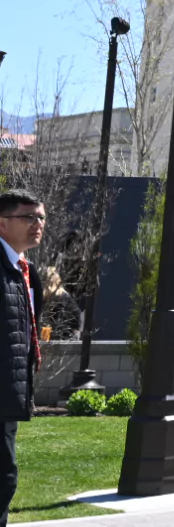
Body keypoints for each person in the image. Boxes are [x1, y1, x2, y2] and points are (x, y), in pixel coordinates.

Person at [1, 191, 47, 527]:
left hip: (10, 395)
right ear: (2, 223)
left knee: (5, 477)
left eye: (41, 217)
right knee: (4, 478)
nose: (38, 224)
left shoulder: (26, 271)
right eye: (28, 217)